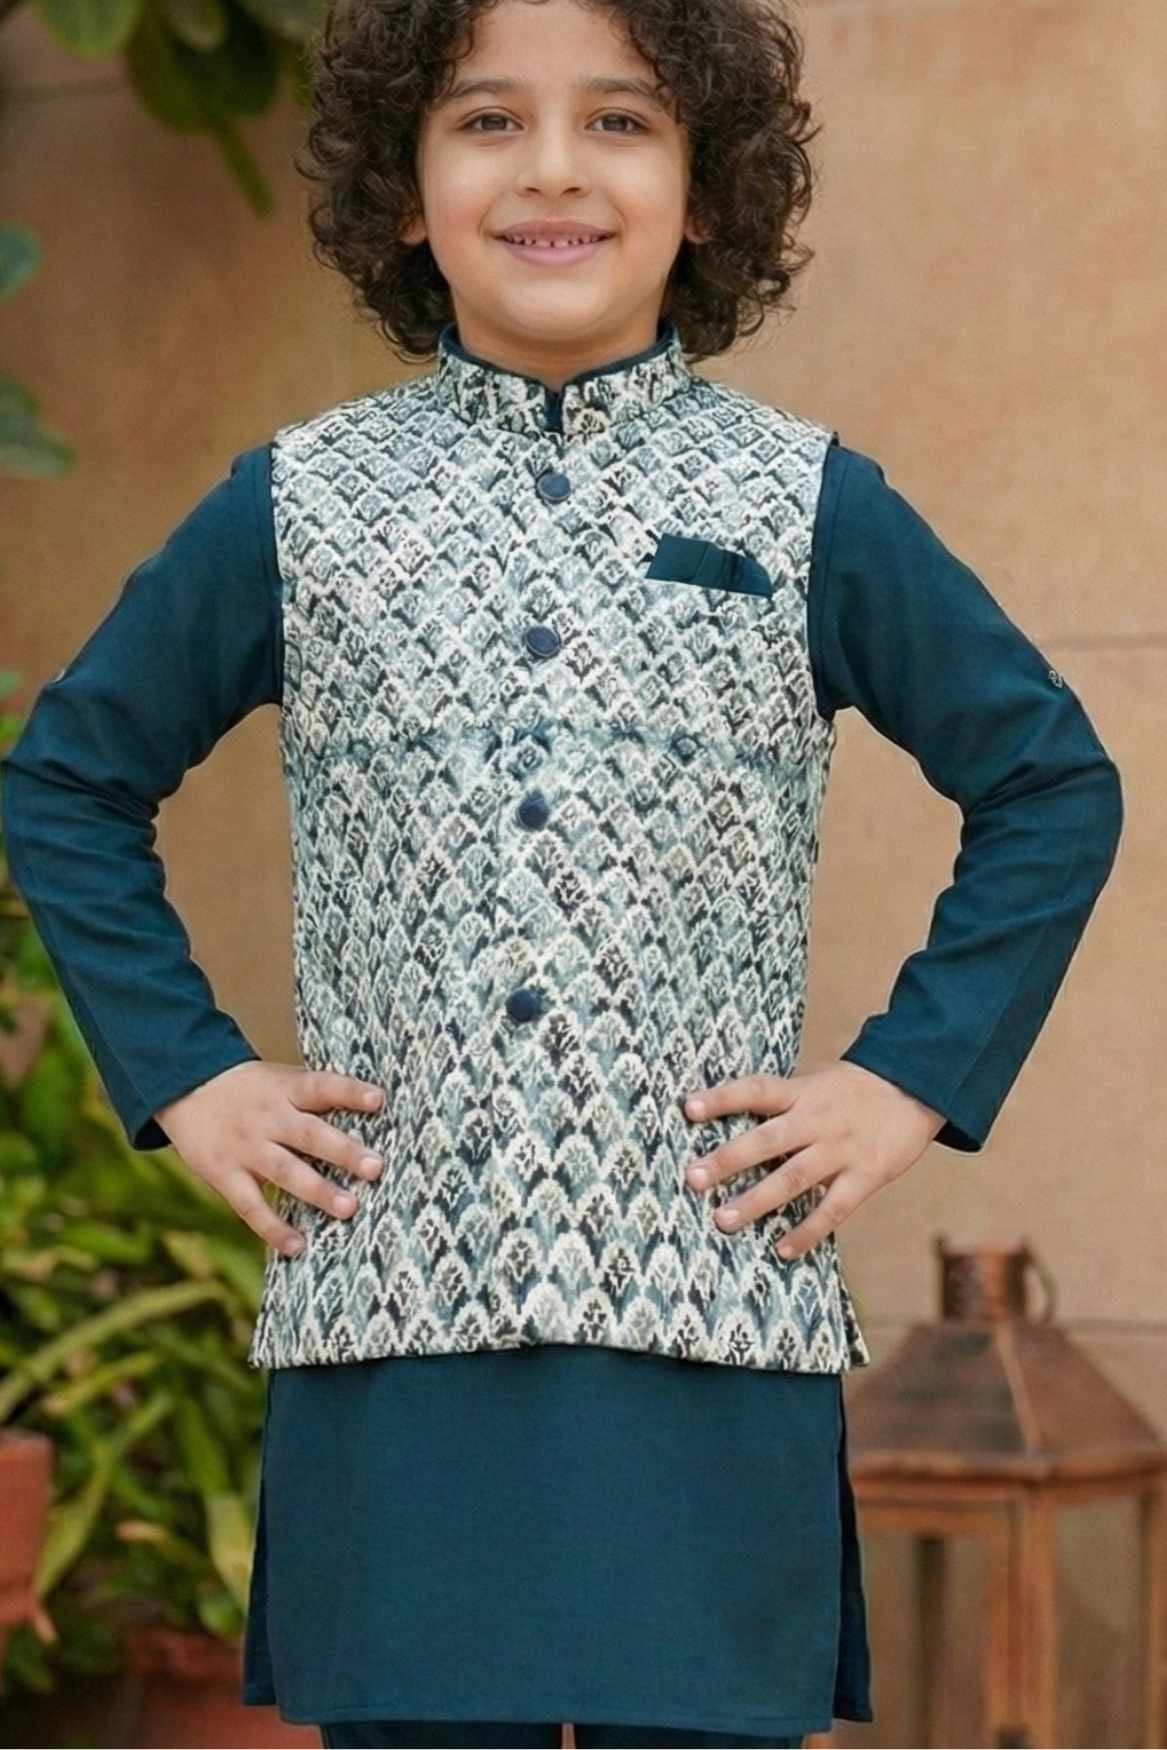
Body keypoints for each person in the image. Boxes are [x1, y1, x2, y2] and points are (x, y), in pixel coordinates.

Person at [0, 0, 1124, 1744]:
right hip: (393, 1341)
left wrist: (906, 1080)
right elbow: (69, 780)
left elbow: (1050, 782)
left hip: (710, 1336)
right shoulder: (300, 507)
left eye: (619, 121)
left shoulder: (803, 503)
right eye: (485, 121)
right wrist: (191, 1077)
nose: (551, 171)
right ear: (401, 187)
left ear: (706, 188)